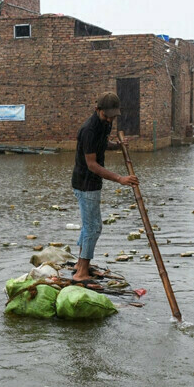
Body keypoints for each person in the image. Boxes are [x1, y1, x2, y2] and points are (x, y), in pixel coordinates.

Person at [71, 92, 139, 283]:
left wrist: (115, 145)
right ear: (97, 110)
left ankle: (80, 264)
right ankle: (81, 273)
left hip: (91, 183)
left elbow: (100, 145)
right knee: (93, 227)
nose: (109, 119)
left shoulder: (105, 123)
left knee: (88, 225)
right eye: (106, 115)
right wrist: (120, 179)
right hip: (85, 184)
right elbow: (92, 164)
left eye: (112, 116)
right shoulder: (89, 130)